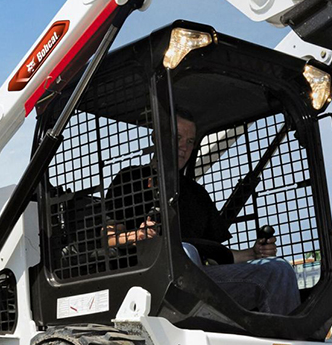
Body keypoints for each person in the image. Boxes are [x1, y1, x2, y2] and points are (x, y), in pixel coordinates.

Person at [104, 111, 301, 315]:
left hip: (201, 280)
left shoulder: (197, 193)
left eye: (190, 141)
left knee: (278, 269)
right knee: (184, 253)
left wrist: (254, 253)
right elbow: (107, 238)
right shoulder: (130, 179)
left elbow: (218, 253)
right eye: (177, 137)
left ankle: (287, 343)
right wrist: (138, 236)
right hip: (150, 279)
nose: (184, 147)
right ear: (157, 137)